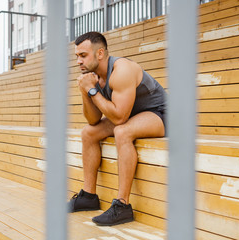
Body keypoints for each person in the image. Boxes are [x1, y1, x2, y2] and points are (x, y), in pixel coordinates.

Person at [68, 32, 166, 226]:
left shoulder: (122, 70)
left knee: (123, 132)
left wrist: (92, 91)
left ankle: (122, 206)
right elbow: (93, 119)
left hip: (161, 114)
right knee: (88, 133)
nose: (79, 61)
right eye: (77, 56)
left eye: (83, 55)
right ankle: (88, 196)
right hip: (132, 114)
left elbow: (120, 118)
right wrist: (86, 91)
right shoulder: (93, 77)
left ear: (100, 53)